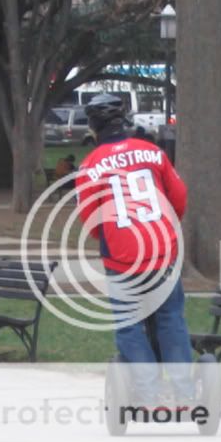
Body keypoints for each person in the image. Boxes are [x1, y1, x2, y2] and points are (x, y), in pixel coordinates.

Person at [75, 93, 192, 406]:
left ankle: (149, 394)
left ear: (93, 126)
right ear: (124, 120)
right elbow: (178, 197)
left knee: (128, 325)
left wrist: (112, 237)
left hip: (123, 257)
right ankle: (184, 392)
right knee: (170, 319)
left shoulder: (89, 167)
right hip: (162, 249)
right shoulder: (153, 153)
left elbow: (91, 221)